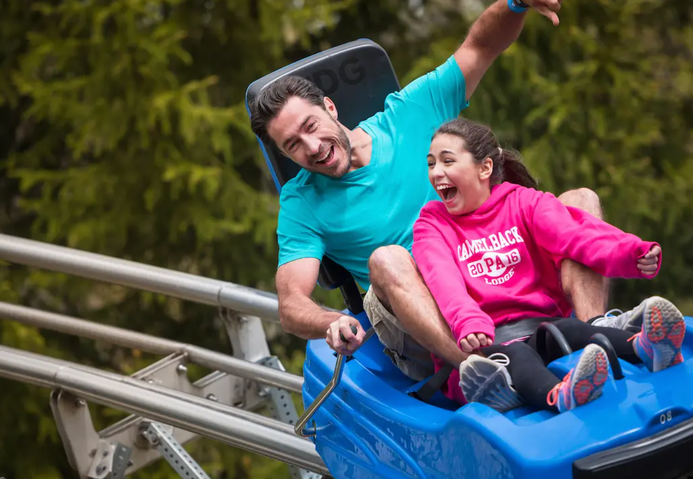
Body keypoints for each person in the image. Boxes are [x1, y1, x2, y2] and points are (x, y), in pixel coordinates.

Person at [249, 0, 611, 383]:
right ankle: (484, 370)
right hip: (424, 317)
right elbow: (291, 304)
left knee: (580, 202)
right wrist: (332, 320)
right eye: (292, 145)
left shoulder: (409, 113)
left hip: (493, 266)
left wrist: (515, 4)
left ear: (330, 108)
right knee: (386, 259)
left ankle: (597, 336)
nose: (311, 147)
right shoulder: (301, 201)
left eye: (310, 126)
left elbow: (480, 47)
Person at [412, 117, 686, 412]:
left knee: (571, 327)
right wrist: (468, 322)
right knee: (517, 355)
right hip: (488, 345)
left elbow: (574, 236)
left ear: (485, 168)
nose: (436, 173)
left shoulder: (522, 202)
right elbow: (443, 281)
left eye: (447, 161)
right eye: (431, 164)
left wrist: (631, 253)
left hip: (541, 328)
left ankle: (644, 347)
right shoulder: (432, 224)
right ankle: (557, 395)